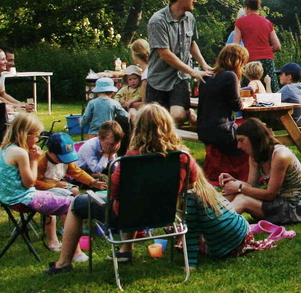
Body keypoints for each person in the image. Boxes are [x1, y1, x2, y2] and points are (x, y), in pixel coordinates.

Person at [44, 104, 196, 274]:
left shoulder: (129, 161)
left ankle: (63, 263)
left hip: (125, 216)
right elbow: (189, 186)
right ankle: (125, 251)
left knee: (77, 204)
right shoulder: (183, 156)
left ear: (139, 128)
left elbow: (114, 193)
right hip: (164, 215)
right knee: (134, 201)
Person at [0, 114, 80, 262]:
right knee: (73, 204)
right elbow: (30, 183)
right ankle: (75, 252)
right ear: (25, 134)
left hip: (6, 197)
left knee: (60, 196)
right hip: (22, 199)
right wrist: (34, 160)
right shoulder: (20, 153)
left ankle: (56, 241)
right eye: (37, 136)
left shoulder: (3, 149)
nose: (38, 140)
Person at [184, 159, 275, 269]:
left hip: (228, 248)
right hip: (244, 232)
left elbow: (191, 232)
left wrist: (190, 264)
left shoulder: (190, 197)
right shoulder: (206, 189)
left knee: (185, 239)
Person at [146, 0, 213, 125]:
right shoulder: (157, 21)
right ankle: (165, 144)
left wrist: (204, 65)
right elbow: (164, 54)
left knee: (177, 116)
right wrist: (192, 71)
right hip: (159, 79)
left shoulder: (190, 18)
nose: (194, 0)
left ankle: (186, 114)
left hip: (179, 78)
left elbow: (192, 43)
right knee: (155, 121)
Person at [220, 119, 301, 226]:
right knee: (234, 193)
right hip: (276, 202)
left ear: (254, 139)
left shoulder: (280, 156)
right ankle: (206, 220)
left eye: (241, 140)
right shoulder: (255, 156)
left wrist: (239, 187)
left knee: (242, 199)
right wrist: (234, 183)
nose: (238, 146)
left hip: (294, 208)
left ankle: (217, 226)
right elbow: (251, 186)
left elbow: (270, 194)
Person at [35, 132, 105, 250]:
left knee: (76, 192)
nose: (64, 160)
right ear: (51, 152)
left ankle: (77, 225)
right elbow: (35, 182)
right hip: (44, 189)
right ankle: (61, 231)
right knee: (60, 202)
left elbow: (77, 172)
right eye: (61, 157)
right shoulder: (42, 162)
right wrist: (53, 185)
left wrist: (92, 182)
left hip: (59, 185)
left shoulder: (66, 160)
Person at [199, 44, 254, 183]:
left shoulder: (207, 76)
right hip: (222, 130)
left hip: (204, 129)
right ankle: (254, 173)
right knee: (254, 133)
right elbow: (236, 105)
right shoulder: (230, 76)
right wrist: (247, 102)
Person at [232, 0, 281, 92]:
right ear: (258, 7)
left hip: (250, 61)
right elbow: (277, 46)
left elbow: (236, 46)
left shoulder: (240, 22)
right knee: (271, 89)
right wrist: (266, 50)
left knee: (248, 91)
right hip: (267, 61)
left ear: (246, 7)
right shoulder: (267, 22)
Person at [277, 62, 301, 127]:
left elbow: (270, 100)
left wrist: (267, 83)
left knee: (263, 119)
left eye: (281, 74)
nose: (279, 76)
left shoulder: (288, 88)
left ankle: (266, 137)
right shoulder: (300, 86)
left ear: (289, 77)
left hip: (293, 121)